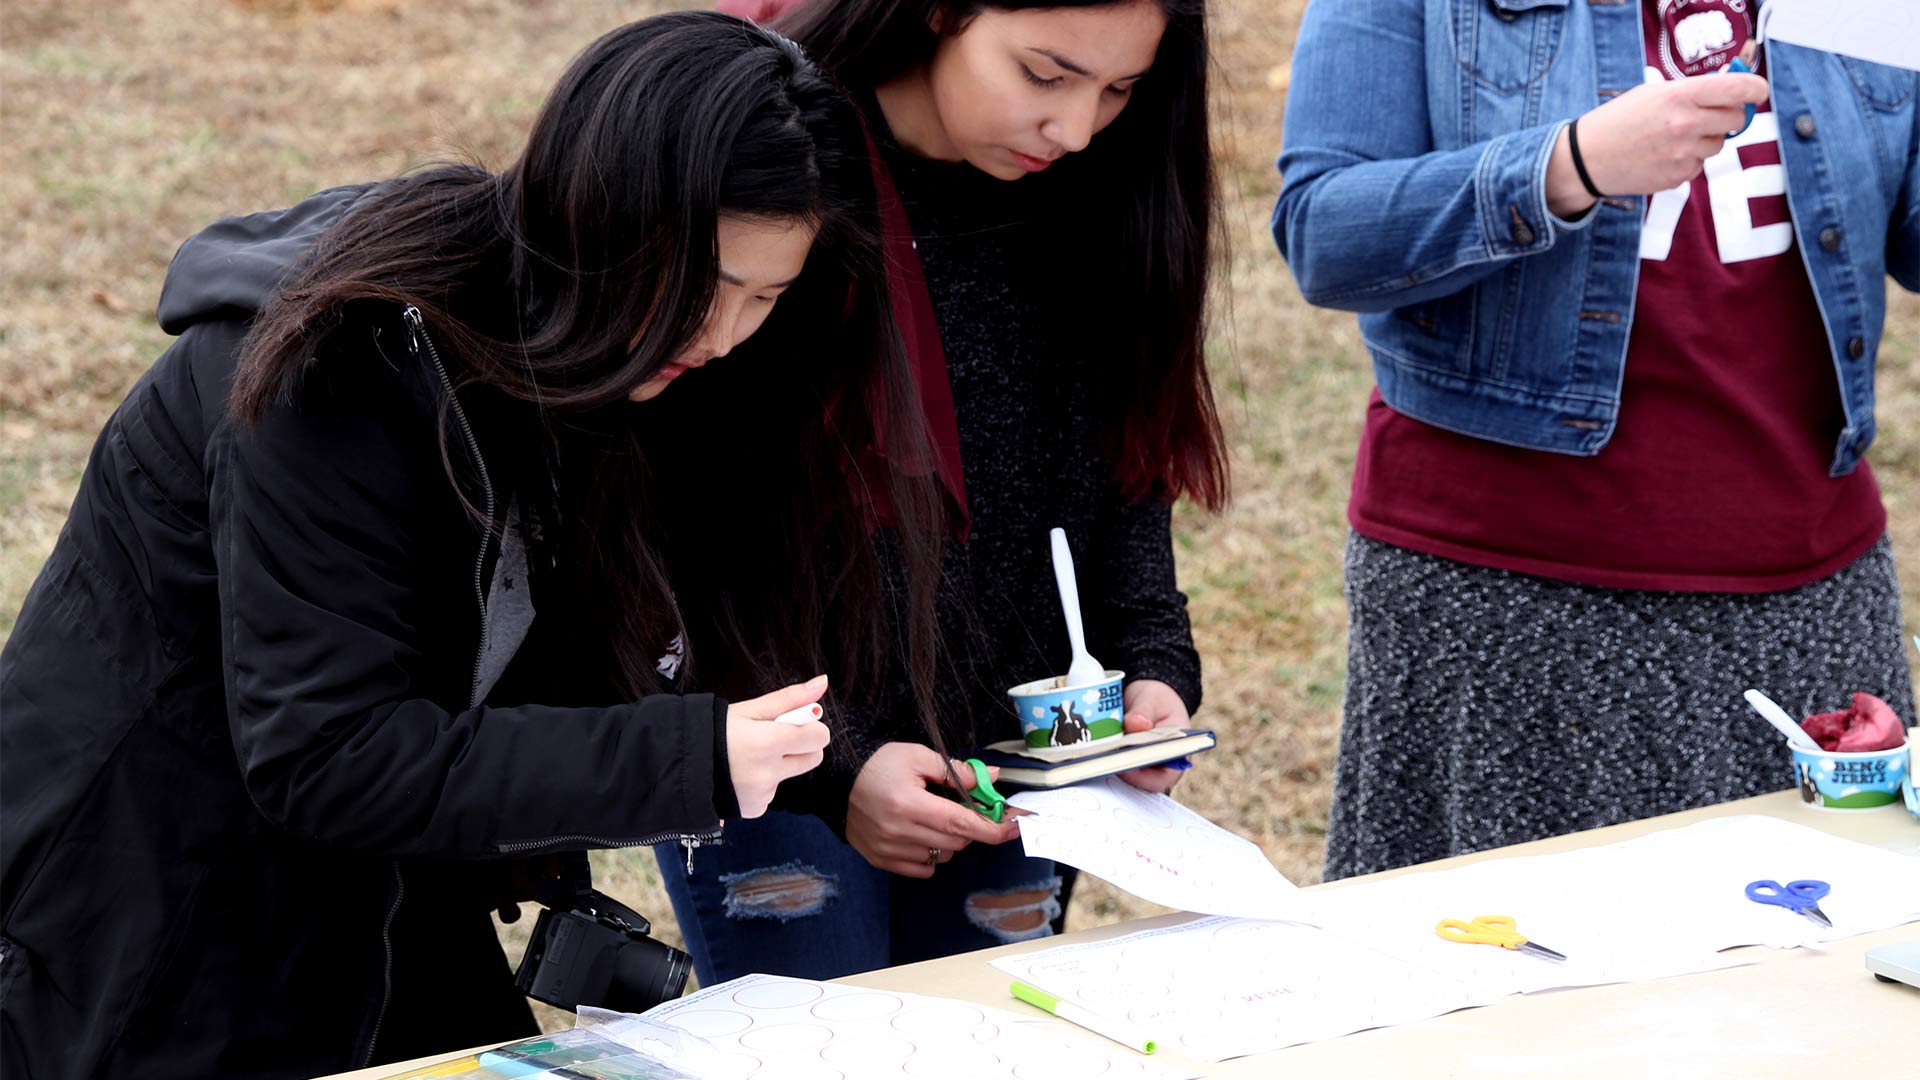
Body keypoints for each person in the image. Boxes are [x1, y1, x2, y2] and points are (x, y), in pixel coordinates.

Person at [0, 12, 945, 1077]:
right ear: (608, 215)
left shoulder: (620, 342)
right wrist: (690, 760)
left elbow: (671, 617)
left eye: (767, 298)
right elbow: (329, 754)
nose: (723, 336)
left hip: (394, 880)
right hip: (164, 891)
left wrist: (837, 769)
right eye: (712, 286)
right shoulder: (340, 368)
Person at [1273, 0, 1920, 879]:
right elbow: (1324, 233)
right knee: (1512, 990)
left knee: (1821, 987)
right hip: (1504, 604)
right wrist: (1569, 165)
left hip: (1812, 589)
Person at [661, 0, 1228, 982]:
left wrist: (1152, 661)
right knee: (817, 1044)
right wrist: (836, 764)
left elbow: (1120, 468)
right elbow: (685, 523)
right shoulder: (773, 158)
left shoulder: (1102, 180)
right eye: (1046, 74)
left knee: (983, 1034)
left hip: (1011, 742)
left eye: (1121, 89)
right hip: (776, 735)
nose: (1078, 126)